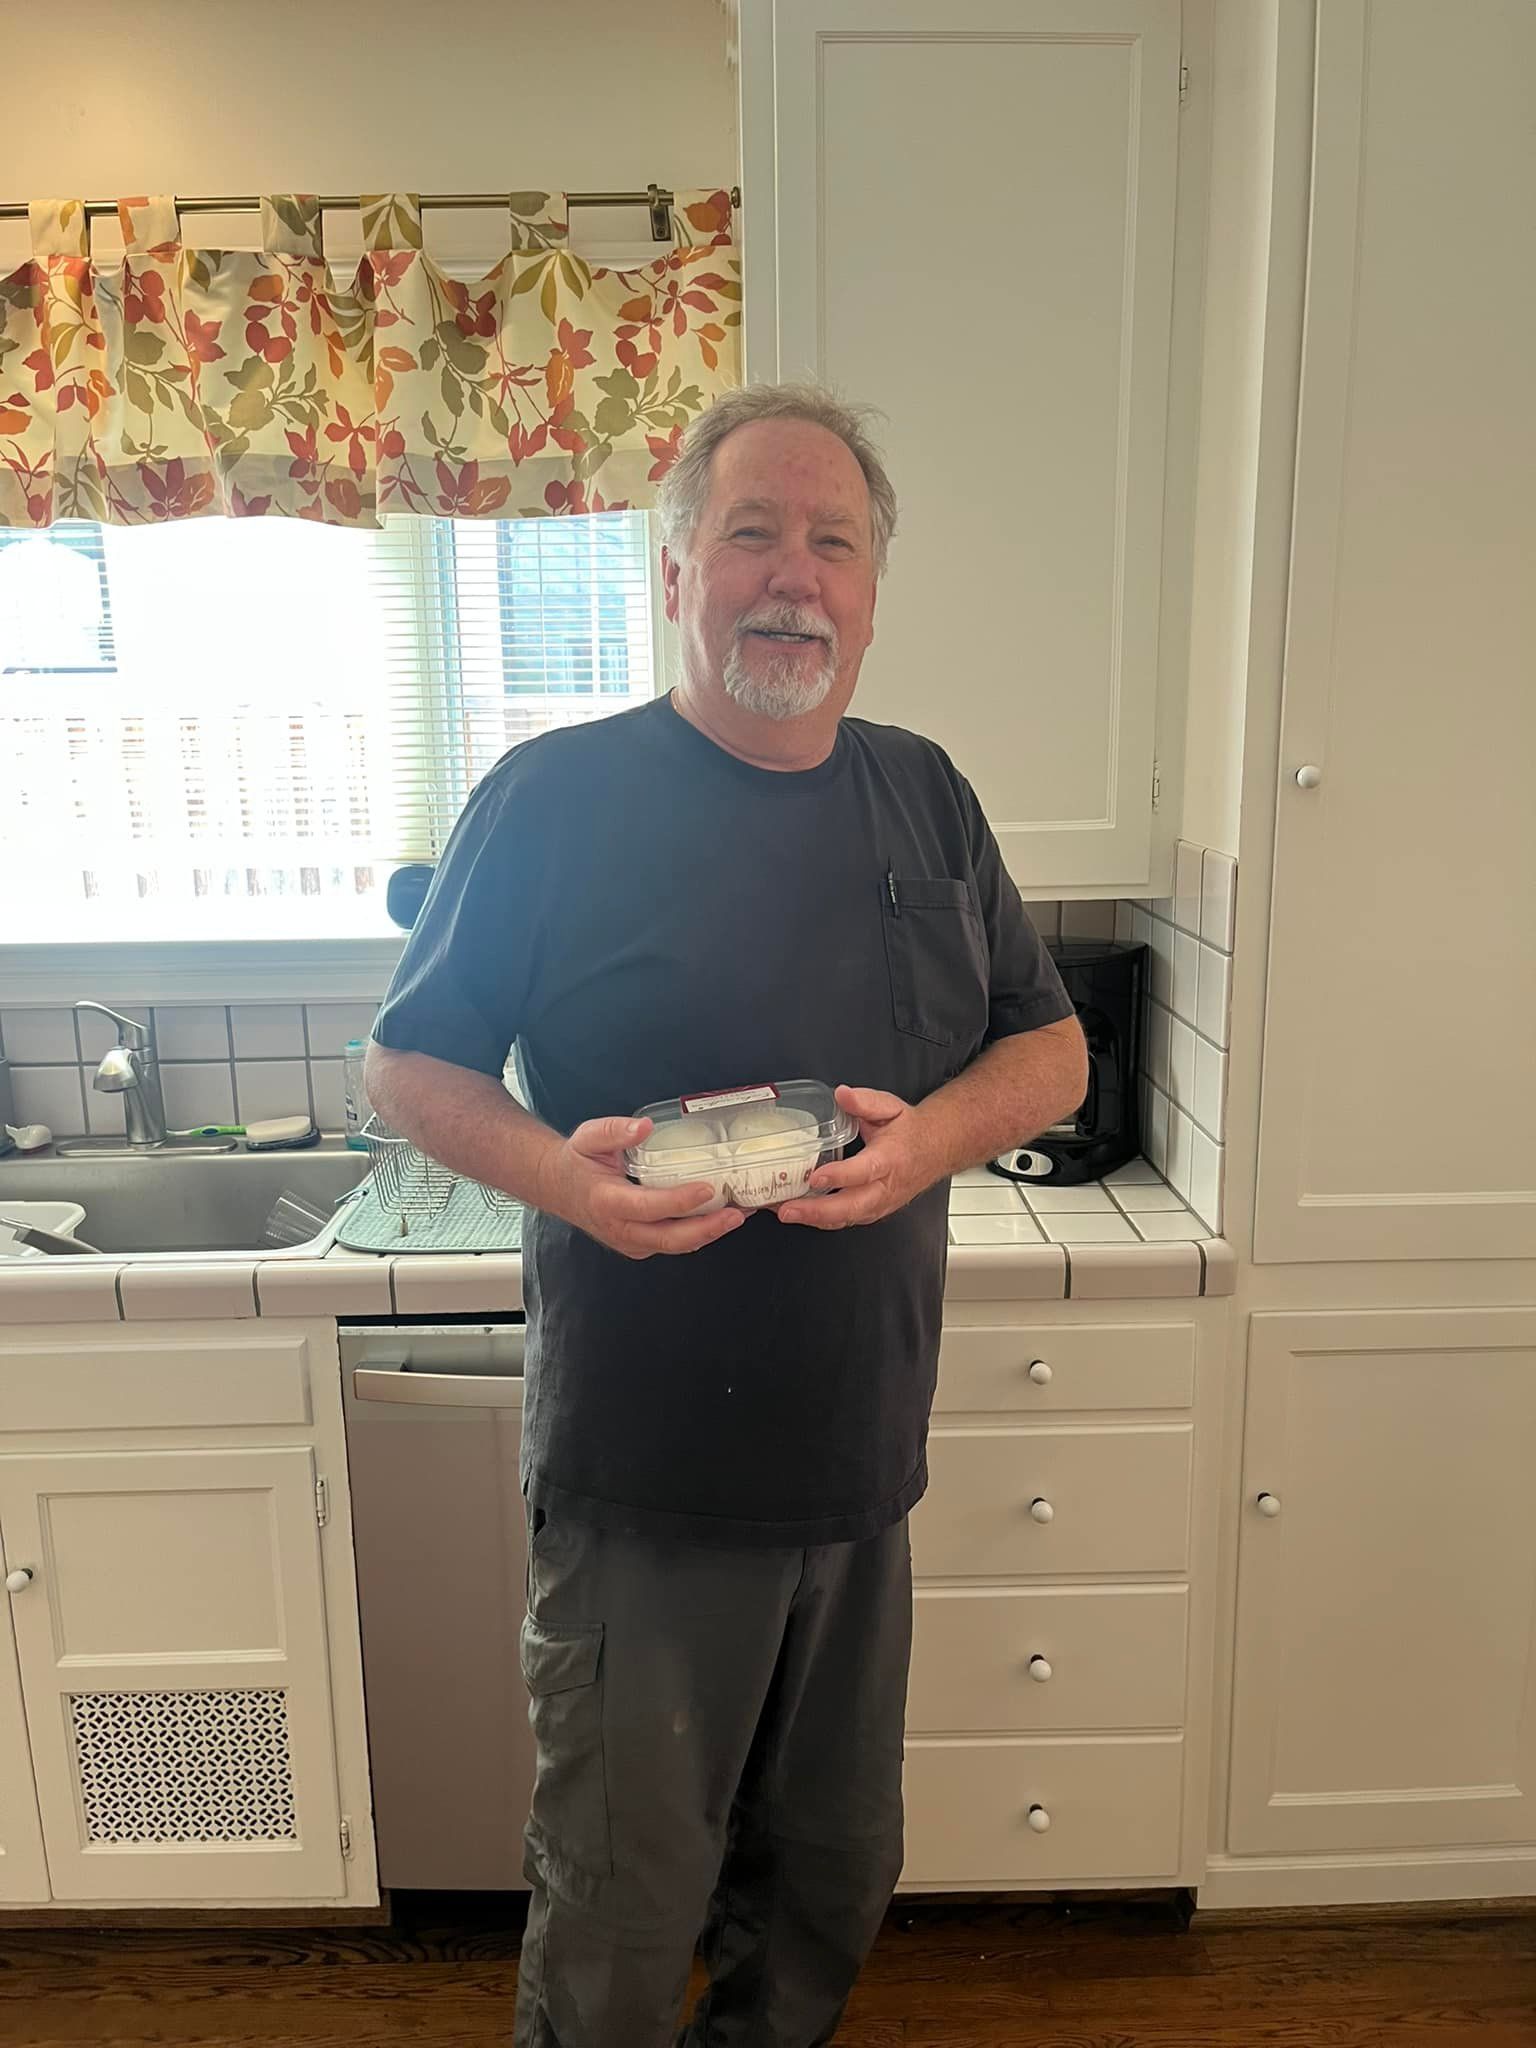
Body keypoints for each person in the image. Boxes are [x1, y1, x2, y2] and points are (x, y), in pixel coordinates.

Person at [365, 383, 1089, 2047]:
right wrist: (566, 1180)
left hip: (857, 1473)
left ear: (873, 590)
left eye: (832, 542)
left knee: (828, 1883)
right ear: (675, 572)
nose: (794, 576)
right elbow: (408, 1063)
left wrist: (922, 1152)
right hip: (648, 1486)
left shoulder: (925, 796)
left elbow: (1043, 1047)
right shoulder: (553, 802)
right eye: (750, 533)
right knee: (623, 1906)